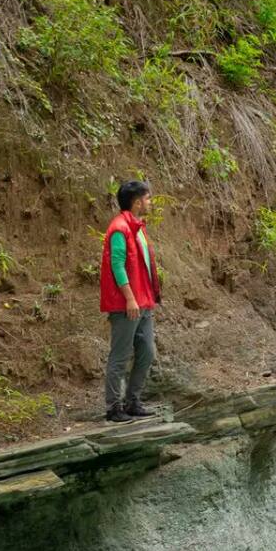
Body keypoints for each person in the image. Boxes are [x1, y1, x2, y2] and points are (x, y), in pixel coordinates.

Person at [100, 180, 162, 422]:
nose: (150, 203)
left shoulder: (137, 227)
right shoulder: (119, 228)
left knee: (146, 351)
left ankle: (133, 400)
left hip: (144, 301)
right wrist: (129, 299)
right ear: (137, 202)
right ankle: (114, 407)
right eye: (148, 199)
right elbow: (116, 264)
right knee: (120, 355)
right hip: (127, 304)